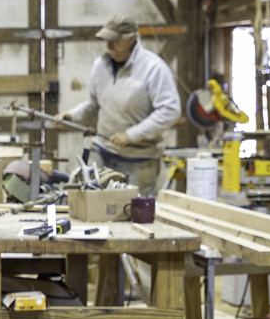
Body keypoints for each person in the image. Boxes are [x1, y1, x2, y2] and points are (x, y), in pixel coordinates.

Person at [59, 14, 181, 196]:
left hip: (140, 159)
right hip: (102, 151)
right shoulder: (101, 65)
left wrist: (131, 135)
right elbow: (94, 104)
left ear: (131, 39)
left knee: (134, 211)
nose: (108, 46)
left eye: (114, 40)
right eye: (106, 40)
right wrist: (72, 115)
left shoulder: (153, 68)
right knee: (90, 201)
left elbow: (170, 111)